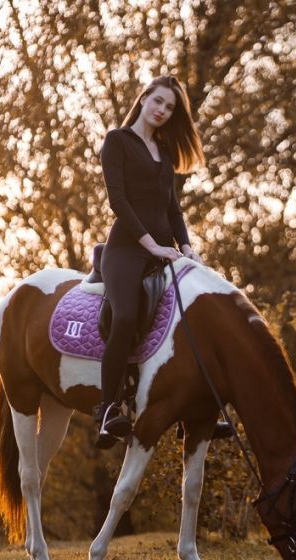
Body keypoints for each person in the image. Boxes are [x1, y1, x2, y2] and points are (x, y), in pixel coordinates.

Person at [95, 75, 228, 448]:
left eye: (169, 108)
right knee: (123, 316)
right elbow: (117, 202)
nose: (162, 111)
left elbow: (172, 208)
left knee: (198, 315)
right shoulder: (117, 142)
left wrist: (186, 247)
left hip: (165, 250)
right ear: (143, 98)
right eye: (158, 101)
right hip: (125, 250)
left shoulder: (165, 155)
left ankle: (199, 409)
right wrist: (151, 245)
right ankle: (107, 410)